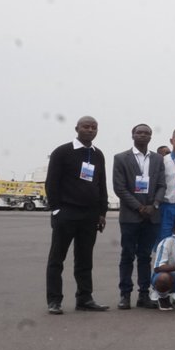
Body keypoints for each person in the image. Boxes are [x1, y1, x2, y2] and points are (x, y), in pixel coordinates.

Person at [44, 116, 110, 314]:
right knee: (57, 258)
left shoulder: (98, 154)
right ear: (77, 128)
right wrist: (56, 209)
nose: (90, 130)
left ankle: (84, 298)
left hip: (89, 216)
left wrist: (102, 212)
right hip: (67, 213)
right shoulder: (62, 152)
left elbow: (101, 185)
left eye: (94, 127)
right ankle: (54, 300)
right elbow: (51, 182)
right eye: (86, 127)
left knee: (84, 259)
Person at [111, 123, 165, 309]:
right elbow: (120, 188)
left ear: (151, 137)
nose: (142, 135)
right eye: (139, 132)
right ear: (132, 135)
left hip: (151, 216)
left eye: (146, 133)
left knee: (145, 257)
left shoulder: (158, 159)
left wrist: (154, 205)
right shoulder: (120, 158)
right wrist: (139, 207)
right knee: (127, 256)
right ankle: (125, 295)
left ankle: (144, 294)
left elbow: (161, 185)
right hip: (130, 216)